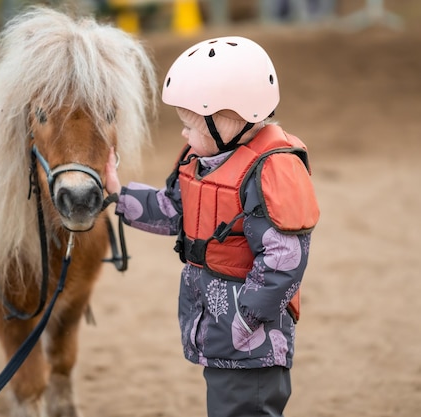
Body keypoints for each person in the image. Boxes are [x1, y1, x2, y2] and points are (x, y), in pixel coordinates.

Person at [105, 36, 320, 417]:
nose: (184, 135)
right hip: (220, 334)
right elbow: (174, 210)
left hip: (251, 346)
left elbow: (285, 257)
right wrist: (118, 195)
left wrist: (245, 320)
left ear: (228, 123)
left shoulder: (271, 170)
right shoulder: (204, 160)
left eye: (191, 126)